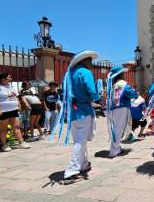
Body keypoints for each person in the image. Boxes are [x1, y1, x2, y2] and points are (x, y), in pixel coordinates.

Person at [52, 51, 100, 183]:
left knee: (80, 139)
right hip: (83, 110)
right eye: (89, 60)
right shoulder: (85, 72)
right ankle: (71, 171)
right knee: (80, 141)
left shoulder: (68, 74)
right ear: (83, 61)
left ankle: (83, 164)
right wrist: (97, 98)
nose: (91, 63)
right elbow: (91, 90)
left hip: (72, 112)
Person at [0, 72, 30, 152]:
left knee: (17, 127)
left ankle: (21, 142)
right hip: (3, 111)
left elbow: (16, 97)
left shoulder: (11, 86)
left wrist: (19, 105)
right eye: (9, 77)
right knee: (3, 129)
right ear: (3, 78)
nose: (10, 78)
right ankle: (4, 145)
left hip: (13, 110)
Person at [106, 66, 138, 158]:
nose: (124, 75)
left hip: (112, 109)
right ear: (120, 75)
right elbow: (132, 93)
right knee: (118, 129)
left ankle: (116, 148)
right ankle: (114, 151)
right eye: (123, 74)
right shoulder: (122, 84)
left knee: (115, 129)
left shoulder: (113, 85)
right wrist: (135, 94)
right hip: (121, 108)